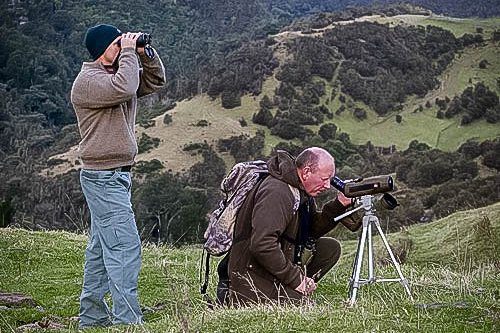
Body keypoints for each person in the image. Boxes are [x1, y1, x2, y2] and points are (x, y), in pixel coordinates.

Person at [70, 24, 166, 327]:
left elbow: (155, 80)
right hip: (102, 178)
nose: (120, 46)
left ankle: (93, 317)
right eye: (115, 43)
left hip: (117, 177)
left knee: (101, 249)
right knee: (124, 246)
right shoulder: (88, 82)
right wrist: (128, 52)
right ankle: (128, 321)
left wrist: (144, 52)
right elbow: (126, 87)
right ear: (101, 51)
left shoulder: (115, 75)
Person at [219, 147, 360, 305]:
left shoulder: (300, 189)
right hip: (251, 273)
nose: (328, 186)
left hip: (277, 259)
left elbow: (310, 230)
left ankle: (292, 288)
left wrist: (339, 205)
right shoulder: (277, 192)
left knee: (329, 248)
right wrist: (295, 279)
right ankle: (243, 298)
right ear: (306, 172)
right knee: (307, 311)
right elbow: (262, 244)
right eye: (324, 179)